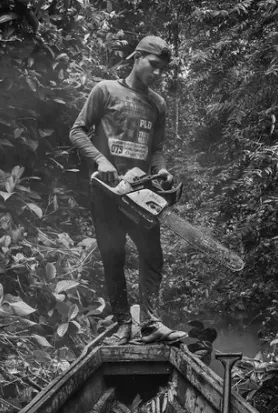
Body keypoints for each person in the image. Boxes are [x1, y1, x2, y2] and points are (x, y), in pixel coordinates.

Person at [69, 35, 187, 345]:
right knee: (113, 257)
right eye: (154, 65)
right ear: (137, 57)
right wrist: (100, 160)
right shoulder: (106, 90)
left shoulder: (158, 103)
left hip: (139, 193)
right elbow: (77, 131)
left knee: (152, 255)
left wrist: (160, 170)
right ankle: (123, 324)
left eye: (163, 69)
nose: (158, 73)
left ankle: (149, 324)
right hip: (107, 192)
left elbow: (157, 149)